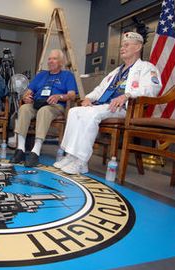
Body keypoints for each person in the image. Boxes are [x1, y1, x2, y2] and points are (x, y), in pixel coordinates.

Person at [54, 32, 162, 174]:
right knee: (74, 111)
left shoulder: (147, 68)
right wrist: (88, 98)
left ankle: (81, 161)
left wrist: (127, 95)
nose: (122, 48)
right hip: (103, 106)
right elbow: (99, 90)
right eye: (122, 45)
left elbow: (152, 89)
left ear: (138, 47)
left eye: (126, 45)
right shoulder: (116, 72)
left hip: (124, 109)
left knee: (91, 114)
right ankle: (71, 155)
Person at [10, 49, 77, 167]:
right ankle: (20, 149)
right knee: (24, 109)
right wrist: (26, 97)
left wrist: (59, 96)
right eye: (49, 59)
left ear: (61, 62)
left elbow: (72, 94)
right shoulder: (41, 75)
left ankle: (35, 151)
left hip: (54, 106)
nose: (51, 61)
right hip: (36, 103)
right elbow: (28, 92)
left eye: (54, 59)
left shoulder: (67, 75)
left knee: (44, 111)